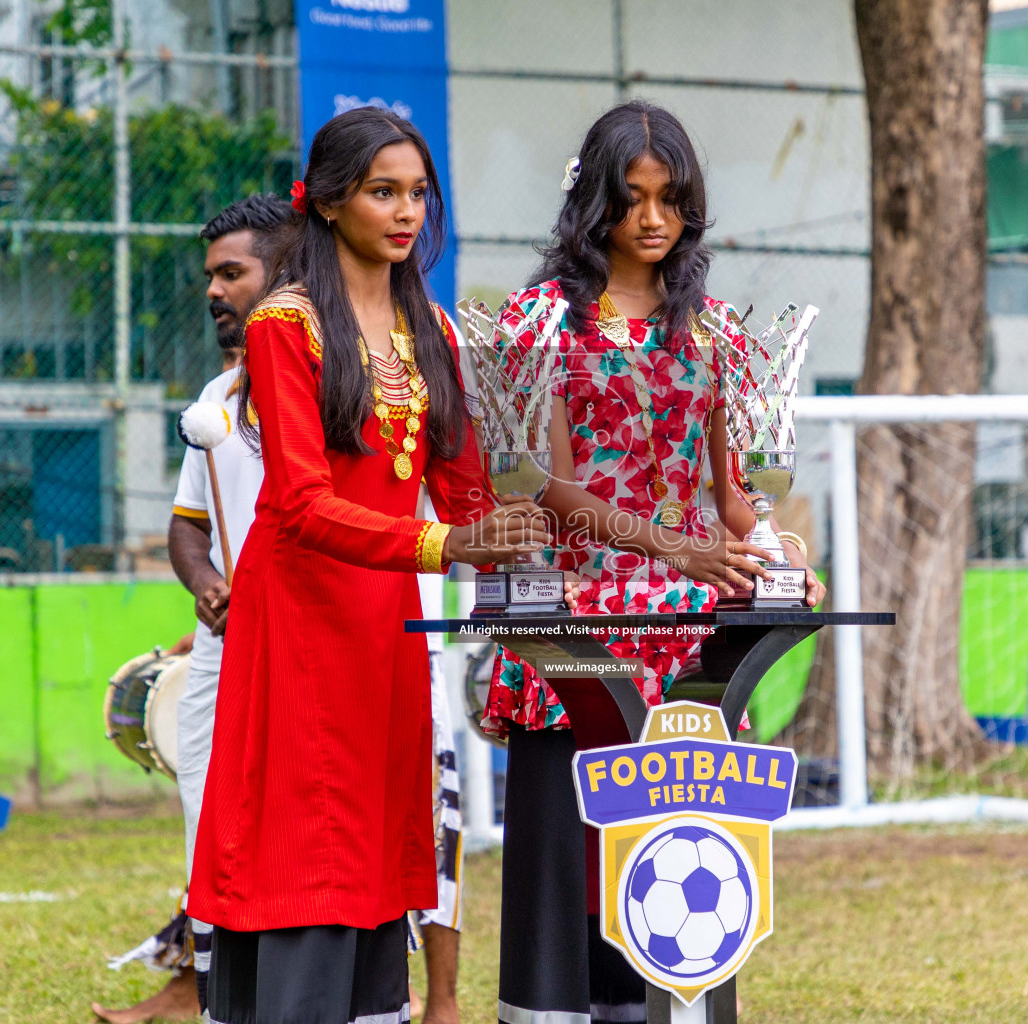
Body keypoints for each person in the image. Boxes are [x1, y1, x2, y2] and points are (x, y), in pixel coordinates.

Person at [188, 108, 549, 1024]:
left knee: (383, 833)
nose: (407, 213)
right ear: (330, 199)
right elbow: (302, 506)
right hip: (301, 612)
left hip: (386, 620)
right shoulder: (284, 324)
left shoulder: (429, 323)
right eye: (384, 192)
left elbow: (467, 493)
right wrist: (445, 546)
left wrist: (545, 559)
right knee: (309, 836)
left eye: (419, 193)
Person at [480, 101, 824, 1024]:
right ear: (593, 200)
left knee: (683, 851)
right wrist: (680, 548)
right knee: (572, 852)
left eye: (670, 199)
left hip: (687, 626)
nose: (651, 219)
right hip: (577, 616)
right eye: (630, 198)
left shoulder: (712, 327)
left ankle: (675, 1004)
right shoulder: (540, 318)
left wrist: (772, 551)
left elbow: (736, 490)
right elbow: (541, 482)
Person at [93, 194, 294, 1024]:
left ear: (282, 273)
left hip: (317, 646)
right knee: (209, 823)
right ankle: (215, 992)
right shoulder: (216, 395)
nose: (214, 291)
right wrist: (207, 583)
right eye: (210, 276)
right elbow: (187, 529)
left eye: (231, 273)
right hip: (229, 647)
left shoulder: (338, 381)